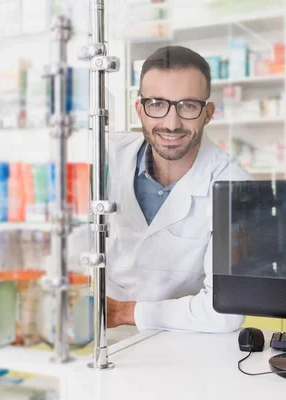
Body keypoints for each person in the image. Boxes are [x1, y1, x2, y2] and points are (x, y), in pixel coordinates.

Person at [103, 45, 251, 333]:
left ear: (207, 113)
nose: (172, 124)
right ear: (139, 110)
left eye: (188, 106)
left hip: (183, 342)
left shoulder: (235, 185)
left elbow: (225, 312)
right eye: (157, 104)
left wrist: (122, 312)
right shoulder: (105, 157)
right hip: (99, 336)